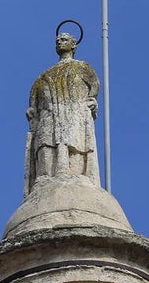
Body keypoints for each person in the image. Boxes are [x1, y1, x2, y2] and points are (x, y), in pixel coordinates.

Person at [24, 32, 101, 194]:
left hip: (73, 112)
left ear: (74, 45)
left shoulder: (82, 67)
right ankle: (45, 176)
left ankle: (76, 173)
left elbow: (93, 89)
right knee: (46, 142)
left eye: (64, 40)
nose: (59, 42)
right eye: (57, 40)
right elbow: (33, 106)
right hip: (49, 116)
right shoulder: (44, 76)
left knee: (73, 141)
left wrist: (92, 102)